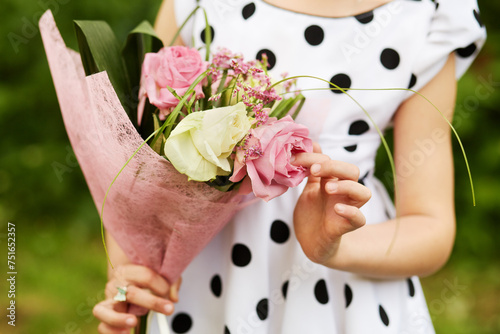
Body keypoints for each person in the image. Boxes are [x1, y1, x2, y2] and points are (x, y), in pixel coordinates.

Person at [93, 0, 486, 333]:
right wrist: (129, 269)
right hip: (205, 275)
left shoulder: (427, 15)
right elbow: (142, 153)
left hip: (339, 293)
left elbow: (430, 226)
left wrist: (335, 245)